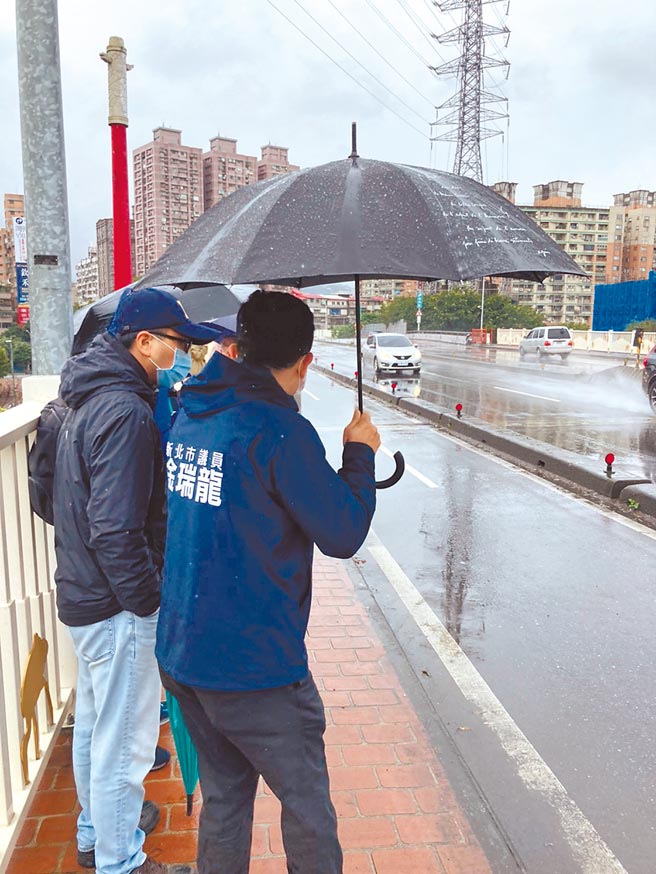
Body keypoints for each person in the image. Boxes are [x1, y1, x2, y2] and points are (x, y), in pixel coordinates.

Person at [156, 290, 381, 874]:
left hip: (183, 653)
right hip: (254, 667)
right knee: (307, 808)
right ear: (305, 362)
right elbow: (342, 533)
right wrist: (359, 456)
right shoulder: (280, 430)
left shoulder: (190, 411)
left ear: (238, 345)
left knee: (226, 799)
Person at [53, 287, 220, 874]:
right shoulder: (125, 411)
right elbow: (115, 528)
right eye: (178, 344)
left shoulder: (85, 396)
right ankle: (121, 860)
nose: (183, 356)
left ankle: (96, 830)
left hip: (83, 593)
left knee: (97, 726)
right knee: (124, 741)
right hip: (116, 605)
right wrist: (149, 604)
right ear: (145, 342)